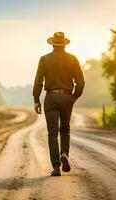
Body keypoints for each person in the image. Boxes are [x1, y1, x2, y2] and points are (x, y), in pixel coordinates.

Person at [32, 32, 85, 176]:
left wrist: (36, 99)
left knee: (52, 133)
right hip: (67, 97)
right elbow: (80, 82)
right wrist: (74, 97)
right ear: (64, 44)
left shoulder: (44, 59)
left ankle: (56, 166)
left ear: (52, 44)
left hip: (51, 98)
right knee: (65, 129)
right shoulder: (72, 59)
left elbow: (38, 82)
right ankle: (65, 154)